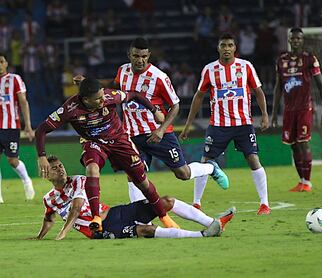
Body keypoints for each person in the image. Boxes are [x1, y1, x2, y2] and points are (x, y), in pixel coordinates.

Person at [35, 77, 179, 233]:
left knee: (142, 182)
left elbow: (135, 95)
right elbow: (41, 130)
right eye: (98, 99)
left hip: (119, 140)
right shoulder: (70, 109)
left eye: (103, 95)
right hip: (94, 142)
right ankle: (96, 217)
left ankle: (164, 216)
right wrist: (42, 156)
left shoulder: (111, 96)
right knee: (92, 169)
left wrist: (154, 110)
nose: (103, 100)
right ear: (85, 100)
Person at [107, 37, 229, 205]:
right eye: (136, 56)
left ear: (149, 55)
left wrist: (161, 130)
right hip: (132, 135)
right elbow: (112, 89)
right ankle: (138, 217)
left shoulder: (159, 77)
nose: (140, 60)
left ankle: (210, 168)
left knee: (183, 174)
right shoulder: (122, 71)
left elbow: (175, 106)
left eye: (143, 56)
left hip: (158, 134)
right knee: (134, 173)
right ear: (129, 55)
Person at [31, 155, 236, 240]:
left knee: (166, 201)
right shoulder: (49, 199)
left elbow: (76, 208)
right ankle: (202, 235)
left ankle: (213, 223)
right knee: (146, 230)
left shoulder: (78, 180)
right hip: (101, 230)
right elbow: (49, 218)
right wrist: (40, 237)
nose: (60, 169)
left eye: (60, 165)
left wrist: (63, 234)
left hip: (114, 212)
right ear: (46, 174)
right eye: (55, 168)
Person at [179, 34, 271, 215]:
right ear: (218, 48)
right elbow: (199, 96)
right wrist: (188, 124)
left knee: (253, 159)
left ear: (235, 48)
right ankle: (196, 203)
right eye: (223, 45)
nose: (227, 48)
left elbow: (258, 91)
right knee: (205, 161)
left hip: (243, 123)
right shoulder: (210, 70)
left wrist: (265, 115)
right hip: (218, 125)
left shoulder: (245, 67)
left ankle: (264, 204)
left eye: (230, 45)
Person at [271, 27, 322, 192]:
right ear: (289, 40)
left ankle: (307, 182)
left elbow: (321, 85)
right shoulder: (281, 60)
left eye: (299, 38)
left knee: (303, 143)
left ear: (302, 40)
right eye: (293, 38)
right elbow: (278, 88)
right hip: (289, 110)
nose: (296, 41)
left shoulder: (309, 59)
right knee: (293, 145)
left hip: (305, 108)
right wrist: (274, 112)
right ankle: (302, 180)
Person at [0, 52, 35, 203]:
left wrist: (27, 125)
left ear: (6, 63)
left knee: (12, 160)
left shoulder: (14, 79)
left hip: (10, 126)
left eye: (1, 61)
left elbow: (23, 102)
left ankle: (27, 181)